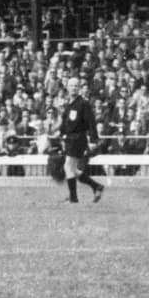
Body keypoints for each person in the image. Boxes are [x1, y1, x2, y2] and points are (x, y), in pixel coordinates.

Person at [58, 75, 105, 204]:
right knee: (73, 169)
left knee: (68, 167)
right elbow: (65, 123)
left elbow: (91, 122)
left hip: (78, 138)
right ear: (67, 87)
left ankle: (73, 198)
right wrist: (61, 133)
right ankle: (96, 186)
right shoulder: (69, 104)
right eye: (71, 85)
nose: (74, 88)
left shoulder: (83, 104)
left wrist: (94, 139)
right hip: (70, 139)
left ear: (79, 88)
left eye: (76, 86)